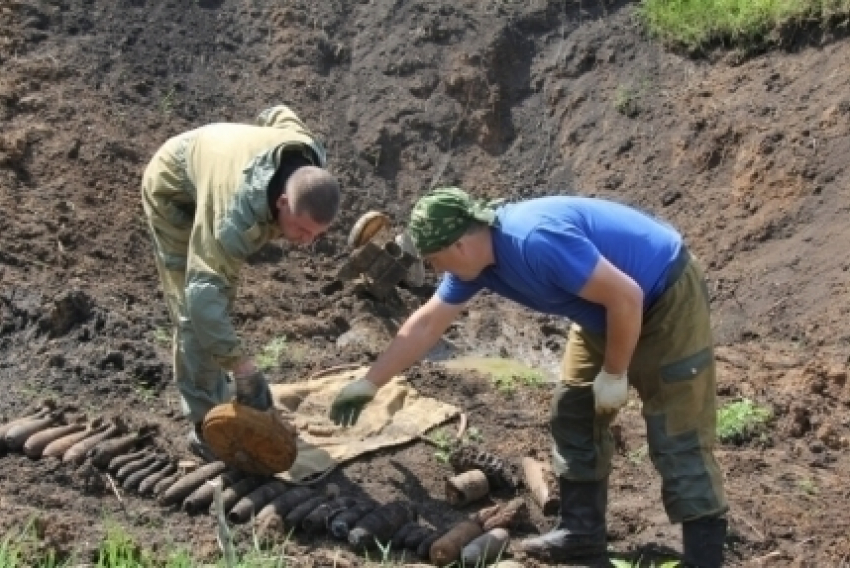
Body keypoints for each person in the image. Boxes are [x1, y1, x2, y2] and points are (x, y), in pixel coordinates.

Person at [330, 188, 728, 567]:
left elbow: (626, 297)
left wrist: (614, 372)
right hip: (602, 308)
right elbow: (426, 325)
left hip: (663, 295)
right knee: (574, 410)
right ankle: (581, 531)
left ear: (460, 245)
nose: (433, 270)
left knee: (678, 431)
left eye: (433, 260)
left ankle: (703, 558)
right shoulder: (474, 266)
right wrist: (370, 382)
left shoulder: (535, 240)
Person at [142, 105, 340, 460]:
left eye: (316, 235)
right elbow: (202, 298)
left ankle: (219, 394)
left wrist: (249, 140)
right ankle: (206, 424)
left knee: (216, 299)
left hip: (215, 161)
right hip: (174, 190)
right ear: (282, 201)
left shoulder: (308, 150)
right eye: (301, 229)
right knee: (194, 313)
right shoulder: (233, 219)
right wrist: (242, 367)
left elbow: (279, 112)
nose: (306, 242)